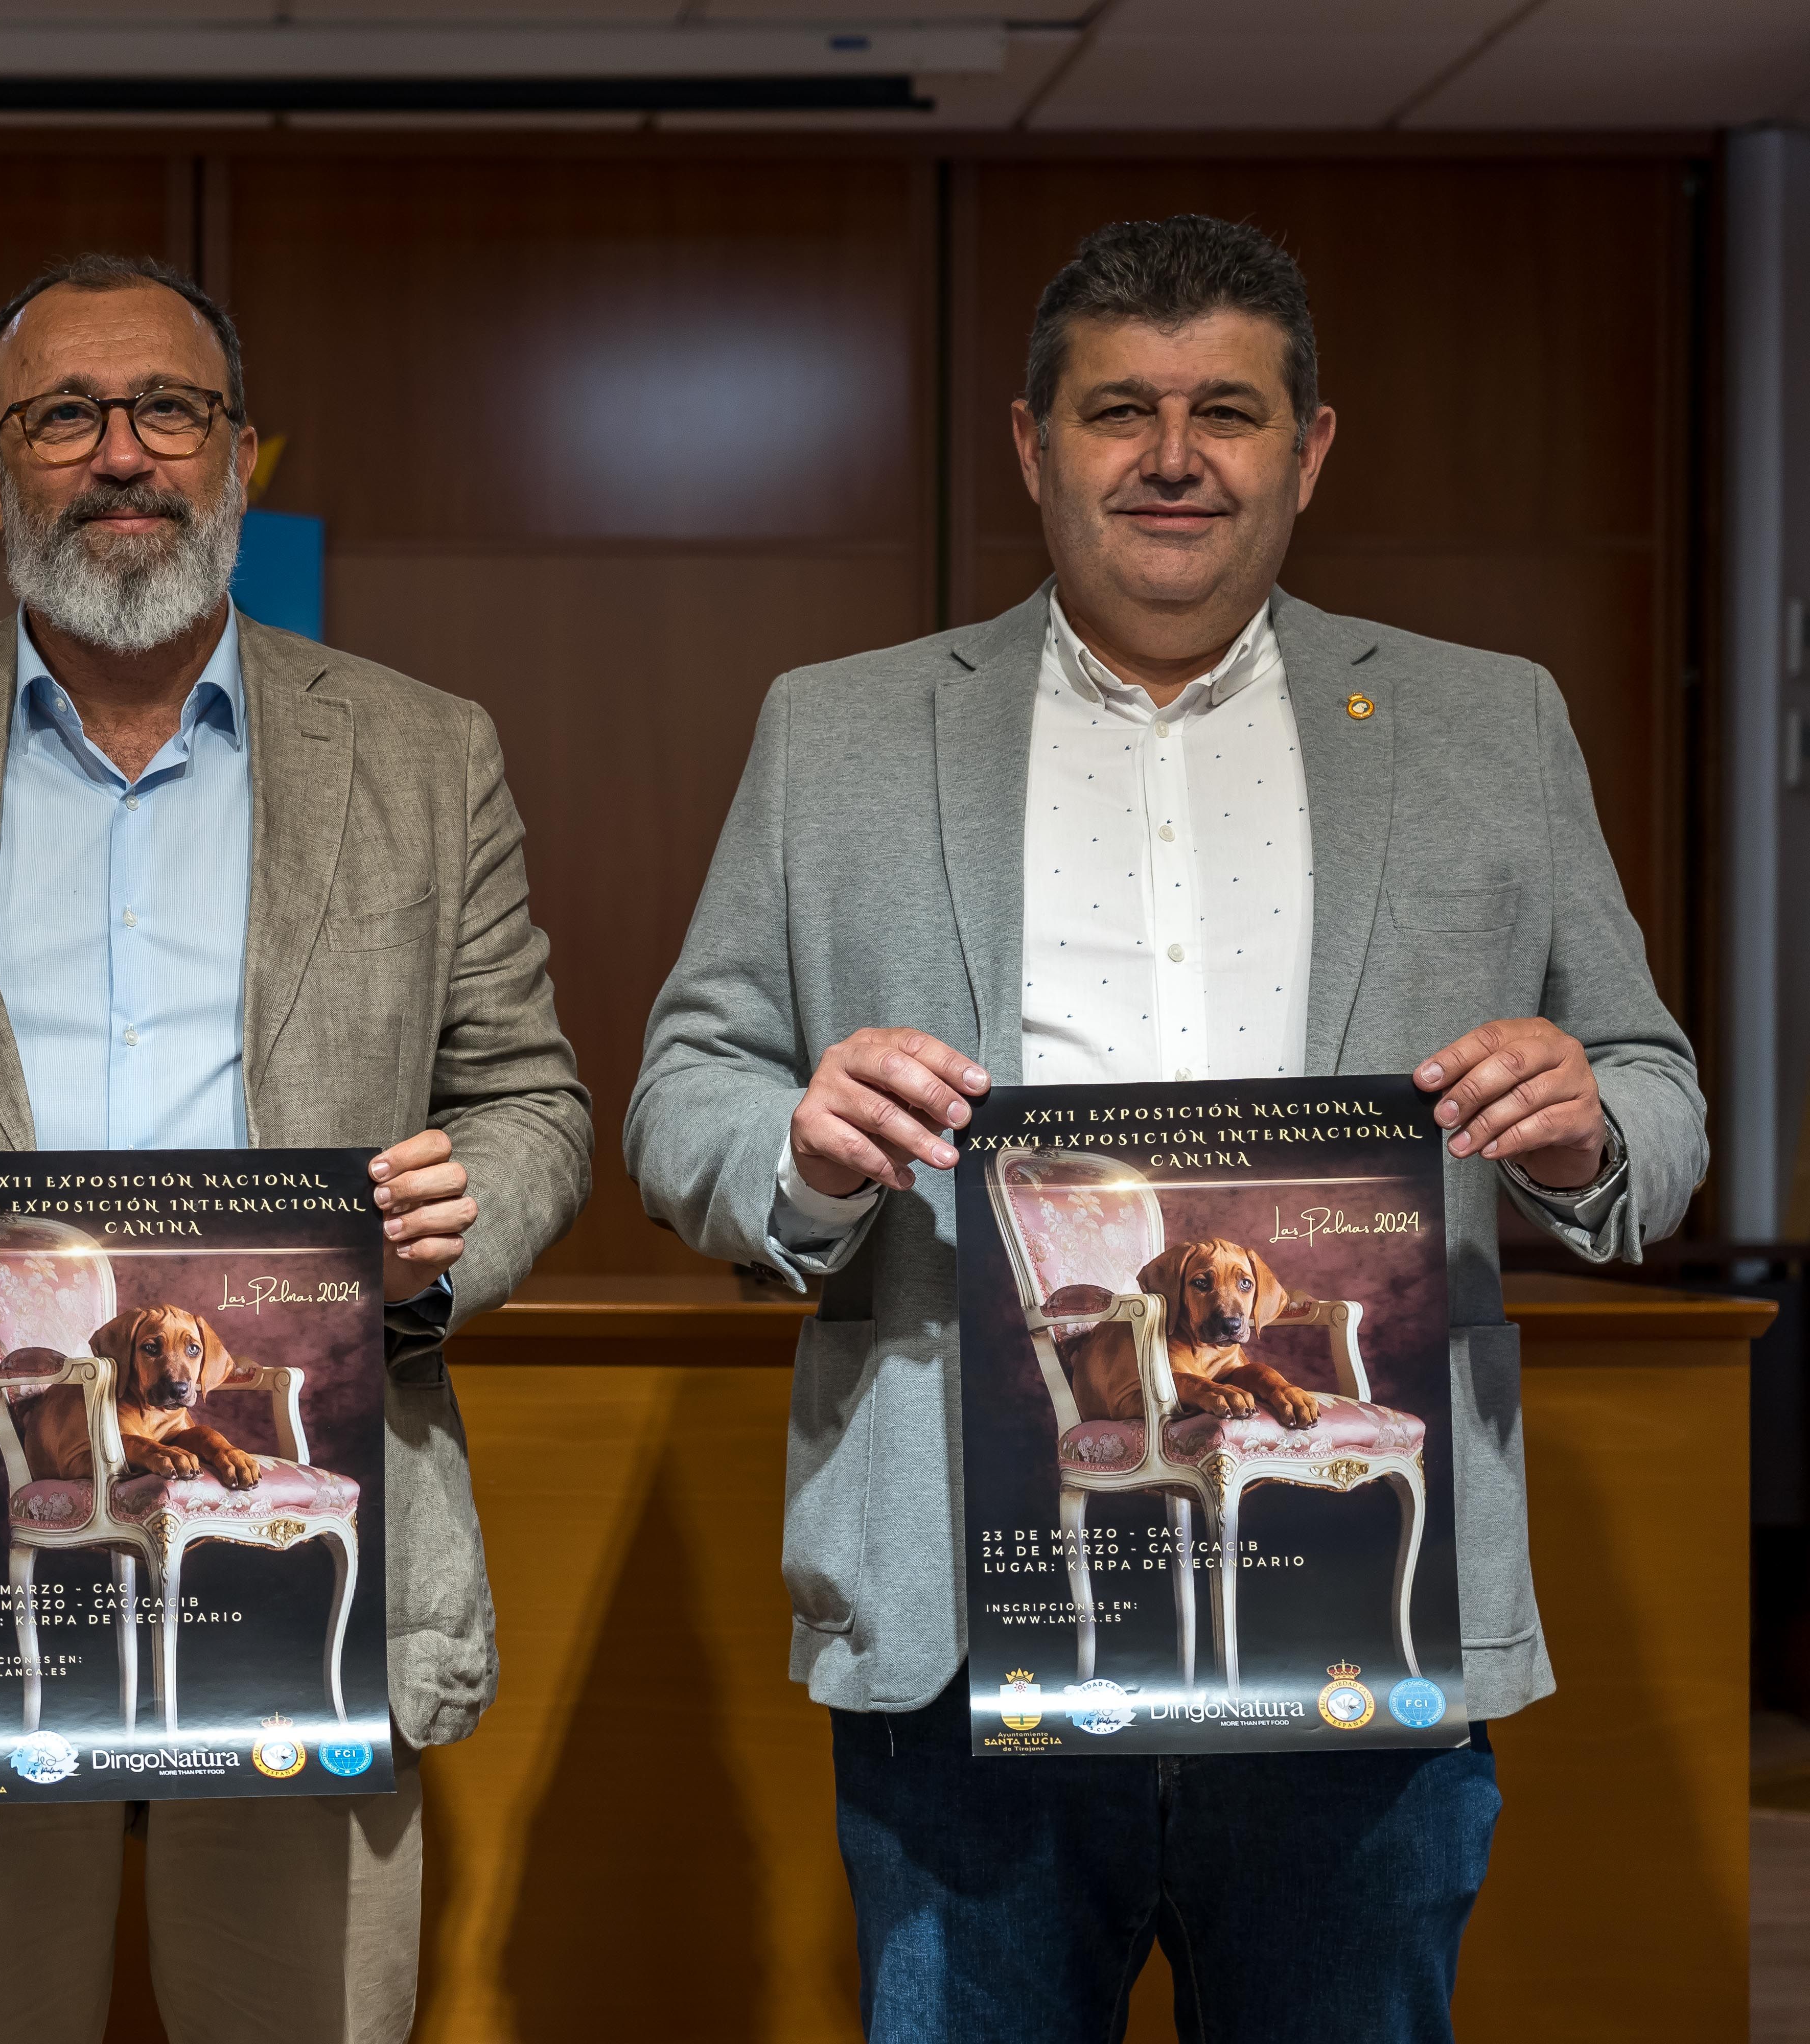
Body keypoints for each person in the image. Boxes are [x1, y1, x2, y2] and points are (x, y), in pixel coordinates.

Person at [626, 214, 1703, 2040]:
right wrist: (799, 1151)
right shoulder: (842, 733)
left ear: (1312, 446)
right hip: (973, 1608)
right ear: (1034, 447)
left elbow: (1656, 1098)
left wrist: (1586, 1132)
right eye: (1121, 410)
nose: (1176, 455)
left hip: (1362, 1584)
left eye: (1230, 409)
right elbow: (683, 1090)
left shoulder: (1485, 724)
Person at [0, 252, 590, 2043]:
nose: (122, 455)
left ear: (241, 453)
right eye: (63, 417)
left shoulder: (422, 752)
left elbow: (535, 1097)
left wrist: (456, 1219)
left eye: (168, 410)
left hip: (297, 1549)